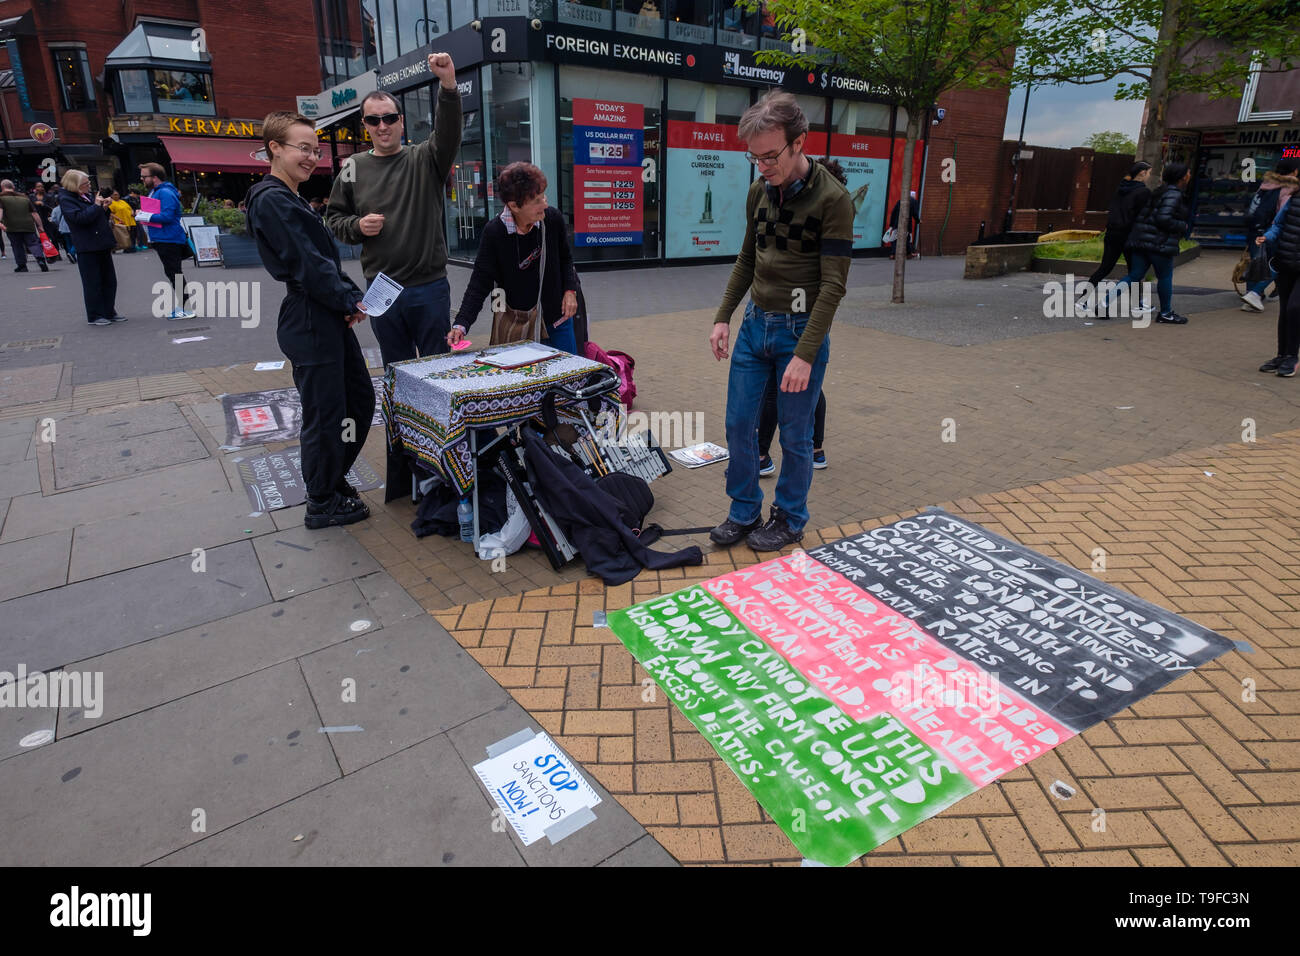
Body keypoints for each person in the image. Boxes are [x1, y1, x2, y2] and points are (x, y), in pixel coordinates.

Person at [708, 90, 853, 551]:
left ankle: (790, 517)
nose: (763, 166)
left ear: (799, 142)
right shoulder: (759, 191)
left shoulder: (833, 200)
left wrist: (806, 355)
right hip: (755, 325)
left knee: (795, 435)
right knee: (738, 425)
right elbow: (747, 258)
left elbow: (833, 286)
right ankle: (744, 511)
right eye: (754, 158)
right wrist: (723, 317)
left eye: (771, 156)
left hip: (798, 330)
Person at [245, 110, 375, 530]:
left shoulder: (289, 196)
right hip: (310, 317)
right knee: (326, 414)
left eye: (315, 150)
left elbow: (319, 260)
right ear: (275, 149)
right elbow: (307, 264)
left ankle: (332, 481)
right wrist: (346, 299)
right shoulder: (272, 199)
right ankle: (321, 500)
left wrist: (348, 299)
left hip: (324, 312)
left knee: (358, 401)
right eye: (303, 148)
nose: (311, 157)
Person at [326, 52, 462, 369]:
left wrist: (448, 85)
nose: (382, 126)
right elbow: (333, 219)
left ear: (400, 121)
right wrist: (358, 226)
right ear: (365, 126)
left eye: (389, 118)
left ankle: (435, 421)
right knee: (396, 370)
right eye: (373, 120)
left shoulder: (426, 158)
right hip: (381, 289)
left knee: (437, 369)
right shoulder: (353, 167)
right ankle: (399, 421)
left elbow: (449, 133)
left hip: (428, 287)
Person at [756, 156, 840, 477]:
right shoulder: (828, 222)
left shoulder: (817, 220)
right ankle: (816, 450)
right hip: (812, 318)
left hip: (794, 318)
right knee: (810, 386)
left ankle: (762, 454)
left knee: (777, 387)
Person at [448, 162, 580, 354]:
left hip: (556, 318)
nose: (544, 204)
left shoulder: (552, 219)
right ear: (514, 206)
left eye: (543, 196)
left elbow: (566, 259)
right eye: (536, 200)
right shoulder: (494, 232)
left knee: (569, 377)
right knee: (526, 380)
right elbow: (479, 282)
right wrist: (461, 324)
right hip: (518, 324)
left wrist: (570, 291)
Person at [1098, 162, 1192, 324]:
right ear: (1182, 177)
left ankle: (1103, 303)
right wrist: (1182, 225)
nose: (1190, 175)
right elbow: (1164, 218)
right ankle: (1165, 313)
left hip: (1140, 241)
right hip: (1159, 243)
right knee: (1165, 276)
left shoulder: (1158, 192)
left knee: (1134, 275)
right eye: (1188, 173)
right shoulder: (1174, 194)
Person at [1076, 161, 1152, 304]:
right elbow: (1142, 216)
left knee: (1105, 268)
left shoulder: (1121, 188)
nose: (1149, 176)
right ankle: (1138, 303)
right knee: (1134, 271)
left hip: (1112, 233)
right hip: (1129, 235)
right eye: (1149, 172)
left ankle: (1082, 299)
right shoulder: (1143, 192)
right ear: (1142, 172)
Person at [57, 169, 124, 325]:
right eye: (85, 184)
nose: (89, 186)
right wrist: (96, 206)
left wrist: (104, 208)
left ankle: (109, 311)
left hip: (101, 242)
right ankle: (95, 315)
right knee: (93, 282)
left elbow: (96, 216)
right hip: (87, 245)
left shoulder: (85, 195)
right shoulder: (66, 199)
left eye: (88, 183)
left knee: (109, 280)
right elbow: (79, 219)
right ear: (75, 185)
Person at [1241, 157, 1300, 312]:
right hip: (1275, 231)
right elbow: (1285, 214)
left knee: (1256, 261)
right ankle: (1255, 294)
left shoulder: (1266, 184)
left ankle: (1251, 295)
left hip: (1257, 229)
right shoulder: (1291, 186)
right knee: (1277, 264)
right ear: (1295, 171)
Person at [139, 162, 196, 320]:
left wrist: (144, 216)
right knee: (173, 273)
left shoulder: (163, 192)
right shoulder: (159, 191)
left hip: (168, 238)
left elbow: (168, 216)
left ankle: (186, 308)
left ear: (155, 178)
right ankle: (184, 307)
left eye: (144, 177)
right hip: (164, 238)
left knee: (174, 273)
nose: (142, 179)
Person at [1255, 186, 1300, 376]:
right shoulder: (1295, 198)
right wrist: (1267, 237)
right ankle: (1282, 355)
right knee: (1284, 312)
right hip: (1287, 262)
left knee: (1294, 308)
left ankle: (1292, 356)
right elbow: (1279, 224)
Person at [0, 179, 49, 272]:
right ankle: (41, 260)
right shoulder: (24, 197)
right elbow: (34, 213)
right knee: (33, 244)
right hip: (28, 225)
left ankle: (22, 266)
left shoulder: (1, 198)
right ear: (13, 187)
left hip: (12, 227)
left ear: (2, 188)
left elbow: (0, 211)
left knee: (17, 245)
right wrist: (40, 226)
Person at [888, 190, 920, 258]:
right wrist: (918, 220)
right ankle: (908, 254)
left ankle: (893, 254)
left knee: (894, 238)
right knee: (907, 239)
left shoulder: (900, 201)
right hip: (906, 224)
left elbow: (894, 212)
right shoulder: (914, 202)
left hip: (897, 223)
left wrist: (892, 224)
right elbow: (915, 213)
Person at [106, 189, 138, 253]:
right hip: (121, 221)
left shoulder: (122, 201)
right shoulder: (111, 203)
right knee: (125, 235)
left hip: (130, 220)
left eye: (117, 194)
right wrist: (118, 218)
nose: (117, 196)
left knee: (132, 234)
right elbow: (110, 213)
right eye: (115, 194)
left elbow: (130, 208)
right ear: (111, 196)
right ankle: (126, 247)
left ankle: (132, 246)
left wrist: (132, 212)